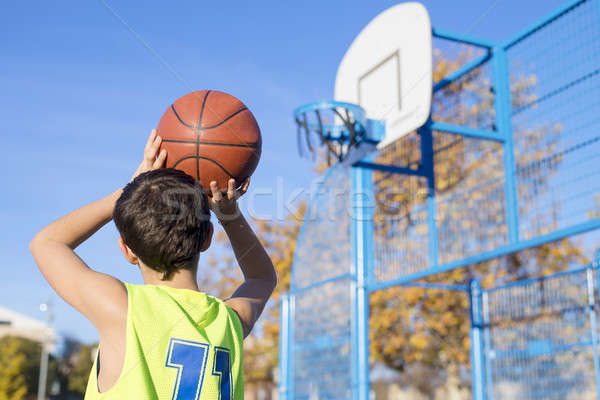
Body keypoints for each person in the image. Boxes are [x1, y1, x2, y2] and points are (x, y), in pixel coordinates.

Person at [29, 129, 276, 399]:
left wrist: (126, 192)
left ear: (127, 250)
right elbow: (261, 277)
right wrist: (230, 216)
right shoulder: (228, 321)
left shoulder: (121, 309)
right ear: (206, 238)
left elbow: (47, 243)